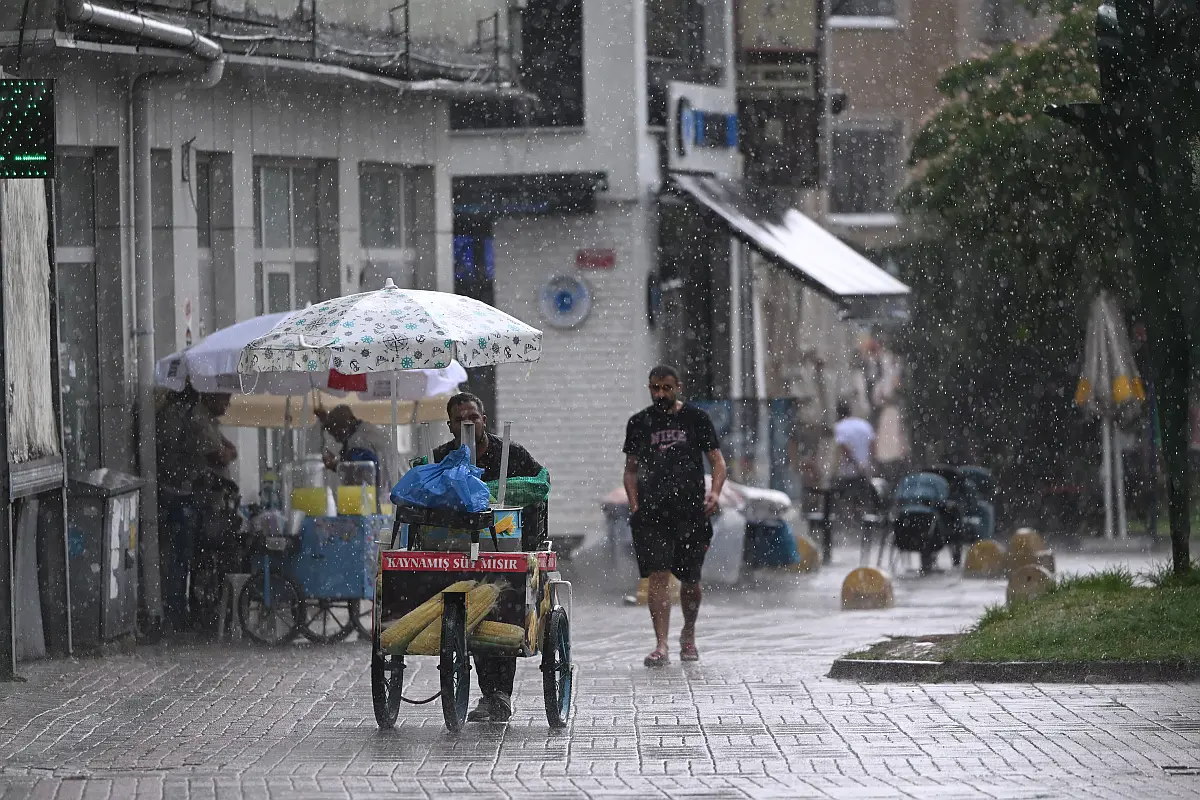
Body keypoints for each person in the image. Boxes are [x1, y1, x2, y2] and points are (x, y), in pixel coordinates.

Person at [431, 392, 546, 723]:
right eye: (461, 419)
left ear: (484, 419)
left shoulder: (512, 454)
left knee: (499, 614)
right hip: (456, 551)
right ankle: (491, 694)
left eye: (474, 416)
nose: (469, 423)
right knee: (472, 616)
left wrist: (529, 541)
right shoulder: (441, 458)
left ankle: (498, 694)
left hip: (505, 549)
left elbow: (539, 487)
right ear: (450, 424)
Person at [622, 365, 726, 668]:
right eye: (655, 388)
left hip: (691, 513)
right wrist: (635, 505)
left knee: (691, 581)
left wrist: (715, 493)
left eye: (666, 388)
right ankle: (661, 644)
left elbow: (718, 462)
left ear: (678, 387)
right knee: (658, 575)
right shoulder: (639, 423)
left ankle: (688, 634)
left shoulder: (697, 419)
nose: (660, 394)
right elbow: (630, 471)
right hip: (653, 514)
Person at [156, 387, 238, 632]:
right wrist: (226, 454)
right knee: (182, 559)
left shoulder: (207, 419)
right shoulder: (195, 418)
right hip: (186, 496)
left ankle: (188, 610)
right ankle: (178, 614)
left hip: (196, 498)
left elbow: (229, 449)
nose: (228, 404)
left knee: (192, 559)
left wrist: (227, 452)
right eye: (225, 397)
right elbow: (219, 456)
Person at [315, 404, 400, 496]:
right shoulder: (370, 430)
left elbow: (359, 474)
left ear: (343, 427)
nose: (336, 438)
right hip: (394, 494)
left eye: (336, 433)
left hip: (374, 500)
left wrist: (337, 466)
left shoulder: (357, 443)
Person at [833, 399, 877, 527]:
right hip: (865, 468)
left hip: (849, 471)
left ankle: (851, 522)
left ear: (839, 414)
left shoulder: (840, 427)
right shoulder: (864, 424)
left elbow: (844, 448)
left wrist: (856, 463)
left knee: (848, 496)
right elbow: (873, 444)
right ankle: (862, 519)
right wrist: (869, 462)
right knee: (862, 495)